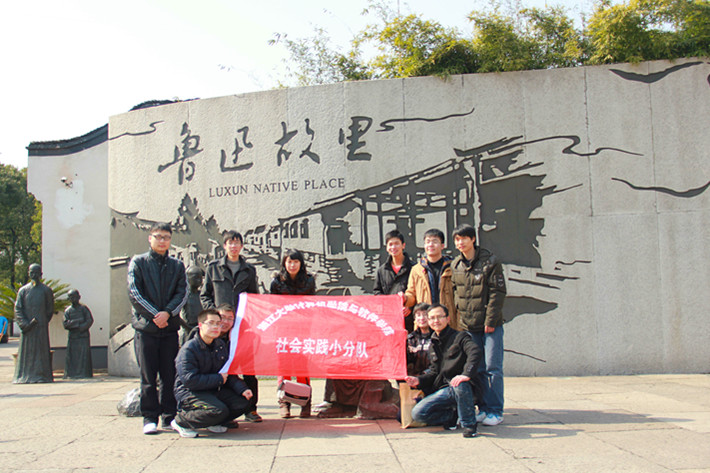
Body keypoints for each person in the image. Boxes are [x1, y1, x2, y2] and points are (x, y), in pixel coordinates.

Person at [127, 222, 188, 435]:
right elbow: (135, 293)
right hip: (146, 330)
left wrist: (167, 313)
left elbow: (182, 293)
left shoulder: (177, 266)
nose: (162, 241)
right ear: (150, 238)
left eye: (166, 237)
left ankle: (169, 416)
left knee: (169, 375)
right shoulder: (138, 262)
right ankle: (149, 417)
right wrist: (155, 315)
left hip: (169, 329)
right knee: (148, 376)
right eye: (158, 236)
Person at [200, 230, 262, 423]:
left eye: (237, 243)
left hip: (242, 327)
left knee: (248, 370)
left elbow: (253, 298)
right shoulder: (213, 268)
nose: (233, 246)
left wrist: (244, 319)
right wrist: (216, 317)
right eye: (230, 243)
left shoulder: (249, 270)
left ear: (241, 246)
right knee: (223, 367)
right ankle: (227, 410)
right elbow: (205, 295)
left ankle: (251, 409)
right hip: (220, 329)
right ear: (224, 245)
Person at [451, 223, 506, 426]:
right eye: (457, 239)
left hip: (490, 326)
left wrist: (490, 321)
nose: (460, 243)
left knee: (493, 368)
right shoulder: (456, 265)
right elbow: (456, 293)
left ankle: (496, 410)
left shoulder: (490, 261)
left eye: (464, 238)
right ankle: (483, 408)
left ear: (473, 239)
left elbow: (497, 293)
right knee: (478, 369)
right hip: (469, 326)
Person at [171, 309, 253, 438]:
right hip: (190, 392)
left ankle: (213, 422)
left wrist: (242, 389)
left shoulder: (219, 345)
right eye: (211, 323)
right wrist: (218, 379)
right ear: (200, 325)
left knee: (244, 402)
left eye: (218, 324)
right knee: (218, 410)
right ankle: (181, 421)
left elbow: (227, 372)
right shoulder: (189, 349)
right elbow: (189, 380)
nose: (215, 327)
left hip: (211, 388)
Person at [405, 304, 481, 438]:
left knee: (460, 384)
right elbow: (434, 372)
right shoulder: (433, 343)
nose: (436, 321)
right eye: (432, 318)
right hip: (445, 389)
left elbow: (475, 351)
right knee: (418, 414)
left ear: (448, 319)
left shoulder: (461, 337)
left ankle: (469, 425)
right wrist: (418, 380)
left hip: (465, 387)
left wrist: (466, 374)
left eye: (440, 317)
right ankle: (451, 416)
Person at [269, 249, 316, 418]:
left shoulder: (309, 281)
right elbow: (272, 305)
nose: (292, 265)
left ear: (301, 264)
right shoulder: (276, 282)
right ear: (284, 263)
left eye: (296, 262)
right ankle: (284, 402)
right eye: (289, 262)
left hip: (302, 329)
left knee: (302, 367)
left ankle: (305, 402)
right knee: (284, 367)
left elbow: (312, 304)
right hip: (283, 329)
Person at [403, 229, 458, 330]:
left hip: (448, 320)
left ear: (442, 246)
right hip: (425, 322)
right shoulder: (416, 269)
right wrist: (405, 298)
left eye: (435, 241)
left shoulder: (453, 268)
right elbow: (411, 293)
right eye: (427, 242)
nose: (431, 245)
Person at [13, 264, 54, 383]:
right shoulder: (23, 290)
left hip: (41, 327)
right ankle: (24, 376)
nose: (34, 275)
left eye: (36, 272)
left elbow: (49, 310)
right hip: (27, 328)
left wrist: (42, 321)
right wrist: (25, 324)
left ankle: (42, 376)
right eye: (31, 272)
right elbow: (18, 309)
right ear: (28, 273)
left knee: (41, 352)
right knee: (27, 352)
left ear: (41, 274)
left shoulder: (46, 290)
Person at [373, 229, 414, 331]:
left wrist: (410, 307)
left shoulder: (414, 268)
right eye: (390, 244)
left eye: (397, 244)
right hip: (389, 319)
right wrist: (389, 306)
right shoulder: (382, 270)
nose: (393, 247)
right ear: (387, 248)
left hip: (410, 319)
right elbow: (377, 292)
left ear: (403, 245)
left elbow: (419, 292)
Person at [62, 289, 94, 379]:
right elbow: (66, 324)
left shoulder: (84, 309)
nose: (73, 299)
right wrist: (78, 321)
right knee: (72, 357)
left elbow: (89, 320)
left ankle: (84, 373)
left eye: (75, 297)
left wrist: (80, 328)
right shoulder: (67, 311)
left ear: (79, 297)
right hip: (73, 337)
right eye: (71, 297)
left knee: (83, 357)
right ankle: (71, 374)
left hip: (83, 336)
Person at [180, 265, 204, 345]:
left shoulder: (202, 295)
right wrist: (187, 327)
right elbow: (175, 314)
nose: (199, 280)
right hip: (188, 331)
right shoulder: (183, 295)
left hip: (201, 329)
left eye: (200, 278)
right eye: (196, 278)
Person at [407, 303, 432, 376]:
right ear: (414, 318)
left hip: (432, 377)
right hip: (413, 377)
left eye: (425, 314)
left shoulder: (437, 337)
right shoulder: (411, 338)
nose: (422, 318)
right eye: (418, 315)